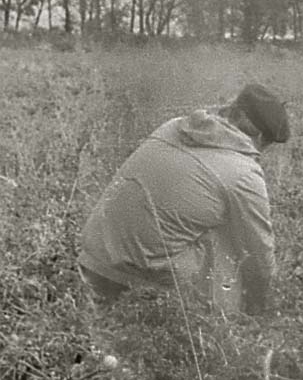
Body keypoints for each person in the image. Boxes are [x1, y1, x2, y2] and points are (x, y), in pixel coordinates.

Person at [78, 84, 290, 316]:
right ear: (260, 137)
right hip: (140, 281)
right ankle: (220, 320)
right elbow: (258, 254)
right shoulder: (243, 173)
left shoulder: (173, 126)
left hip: (93, 259)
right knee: (229, 240)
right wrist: (260, 307)